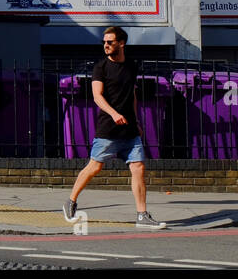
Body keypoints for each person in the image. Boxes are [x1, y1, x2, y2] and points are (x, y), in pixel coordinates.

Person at [63, 26, 167, 229]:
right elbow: (97, 96)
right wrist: (114, 113)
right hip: (108, 129)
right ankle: (71, 201)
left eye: (110, 42)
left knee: (138, 167)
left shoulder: (131, 66)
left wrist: (136, 121)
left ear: (121, 43)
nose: (106, 45)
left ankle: (141, 215)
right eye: (104, 42)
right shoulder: (100, 67)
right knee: (95, 166)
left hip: (129, 129)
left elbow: (132, 95)